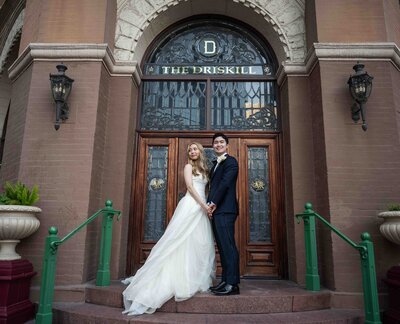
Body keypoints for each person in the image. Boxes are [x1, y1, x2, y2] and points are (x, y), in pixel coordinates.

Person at [122, 142, 216, 316]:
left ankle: (194, 276)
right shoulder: (188, 167)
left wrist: (208, 206)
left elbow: (206, 189)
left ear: (200, 151)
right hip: (191, 206)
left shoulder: (204, 169)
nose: (193, 151)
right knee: (179, 241)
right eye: (190, 150)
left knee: (198, 242)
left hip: (202, 208)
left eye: (195, 149)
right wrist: (203, 205)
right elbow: (190, 187)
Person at [207, 133, 240, 296]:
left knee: (228, 246)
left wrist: (213, 203)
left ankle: (233, 284)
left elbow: (225, 184)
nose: (218, 144)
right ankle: (225, 280)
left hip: (225, 209)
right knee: (222, 246)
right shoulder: (215, 165)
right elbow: (213, 187)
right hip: (217, 211)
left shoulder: (231, 161)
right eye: (215, 143)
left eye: (221, 142)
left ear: (227, 145)